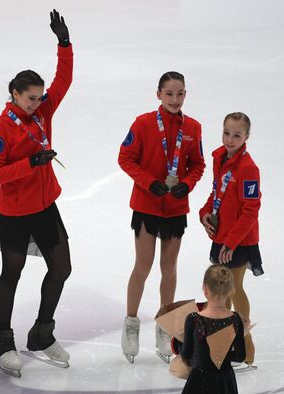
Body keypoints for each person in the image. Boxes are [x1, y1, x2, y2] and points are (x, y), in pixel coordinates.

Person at [0, 10, 73, 378]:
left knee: (62, 267)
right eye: (30, 98)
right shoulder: (1, 128)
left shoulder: (41, 113)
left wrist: (64, 44)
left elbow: (63, 81)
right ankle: (4, 342)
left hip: (44, 206)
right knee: (12, 274)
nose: (37, 103)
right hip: (14, 213)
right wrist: (32, 163)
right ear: (14, 95)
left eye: (39, 97)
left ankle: (41, 333)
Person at [118, 71, 206, 363]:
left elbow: (198, 164)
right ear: (158, 94)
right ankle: (131, 323)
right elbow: (125, 157)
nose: (175, 99)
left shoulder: (193, 127)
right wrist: (147, 181)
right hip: (146, 205)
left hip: (175, 209)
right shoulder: (143, 123)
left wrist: (188, 184)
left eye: (180, 93)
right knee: (143, 266)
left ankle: (165, 326)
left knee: (169, 267)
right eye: (169, 94)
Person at [199, 112, 262, 369]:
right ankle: (226, 346)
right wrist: (205, 214)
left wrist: (232, 242)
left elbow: (250, 211)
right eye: (227, 133)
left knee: (232, 290)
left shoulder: (248, 168)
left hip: (239, 240)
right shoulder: (220, 158)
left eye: (237, 135)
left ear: (247, 137)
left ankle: (245, 350)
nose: (230, 139)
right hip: (223, 236)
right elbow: (217, 192)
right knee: (222, 294)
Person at [172, 265, 246, 394]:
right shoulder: (235, 319)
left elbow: (187, 355)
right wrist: (222, 357)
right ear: (230, 291)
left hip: (200, 380)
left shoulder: (194, 319)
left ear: (205, 290)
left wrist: (178, 344)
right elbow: (240, 357)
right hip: (225, 381)